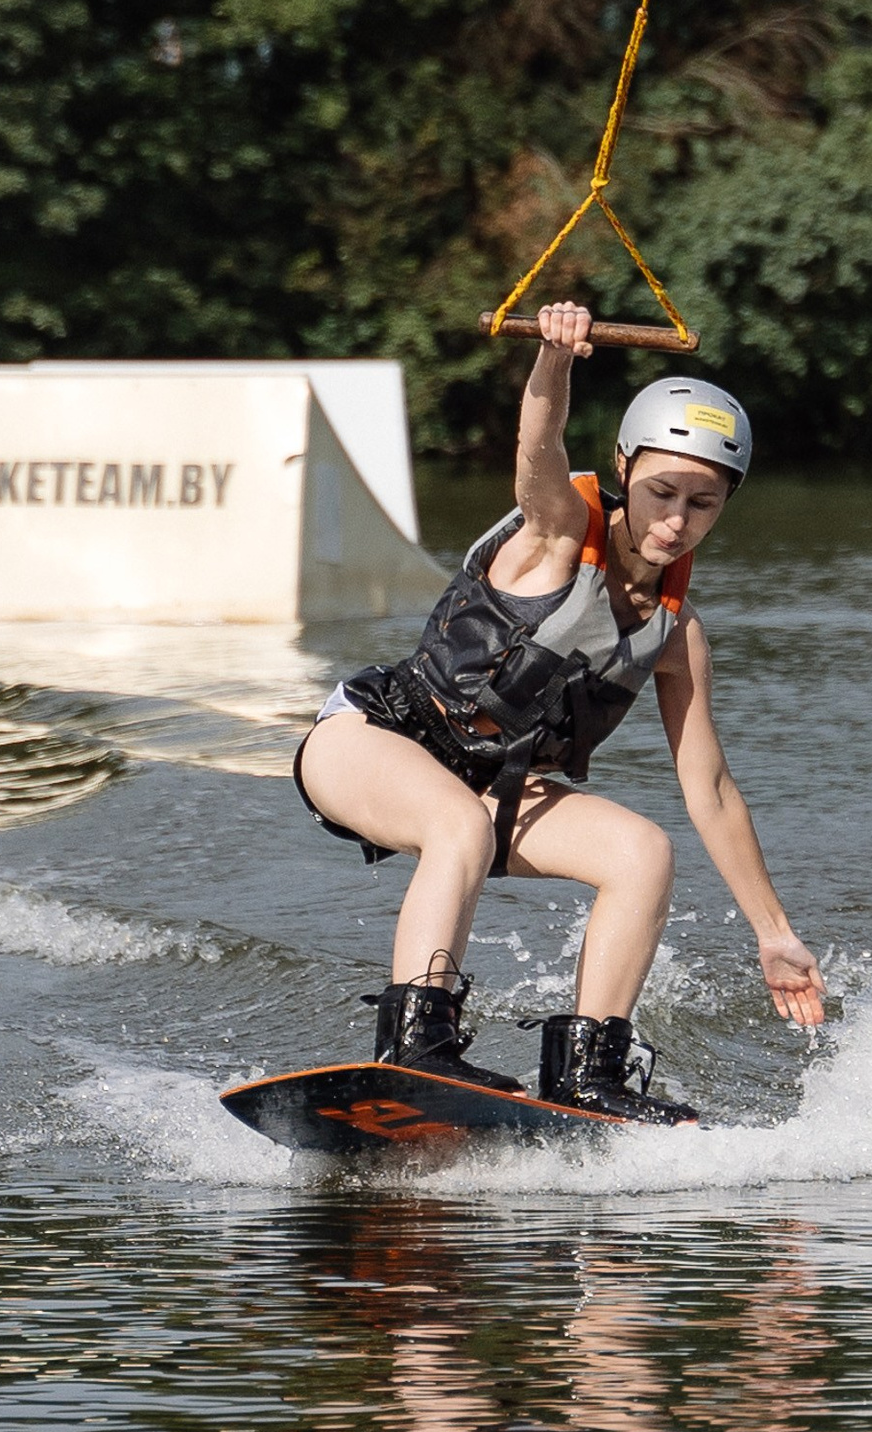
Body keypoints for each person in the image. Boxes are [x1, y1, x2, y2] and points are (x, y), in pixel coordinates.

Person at [293, 303, 824, 1120]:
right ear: (623, 469)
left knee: (642, 851)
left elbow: (710, 791)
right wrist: (554, 359)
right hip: (375, 738)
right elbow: (537, 446)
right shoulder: (555, 531)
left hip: (493, 783)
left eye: (704, 503)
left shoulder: (677, 635)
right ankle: (416, 1048)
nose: (676, 521)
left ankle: (587, 1073)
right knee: (457, 827)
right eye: (661, 492)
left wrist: (774, 933)